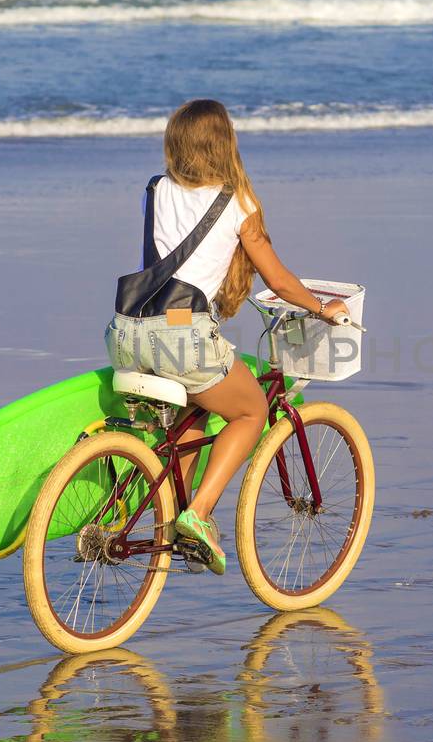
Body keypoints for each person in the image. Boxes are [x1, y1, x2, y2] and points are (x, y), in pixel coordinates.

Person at [106, 99, 348, 574]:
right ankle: (198, 513)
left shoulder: (154, 190)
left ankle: (167, 519)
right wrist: (323, 308)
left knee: (195, 413)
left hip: (128, 330)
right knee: (251, 410)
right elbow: (278, 282)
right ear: (226, 142)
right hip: (181, 333)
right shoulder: (239, 203)